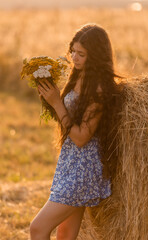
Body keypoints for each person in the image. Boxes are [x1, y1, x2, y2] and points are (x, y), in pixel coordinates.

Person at [30, 23, 124, 240]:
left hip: (83, 171)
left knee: (37, 228)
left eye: (81, 54)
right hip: (70, 164)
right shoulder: (79, 77)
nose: (74, 58)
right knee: (65, 235)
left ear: (96, 56)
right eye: (73, 51)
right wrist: (49, 99)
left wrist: (56, 103)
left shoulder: (99, 89)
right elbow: (68, 120)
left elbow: (81, 137)